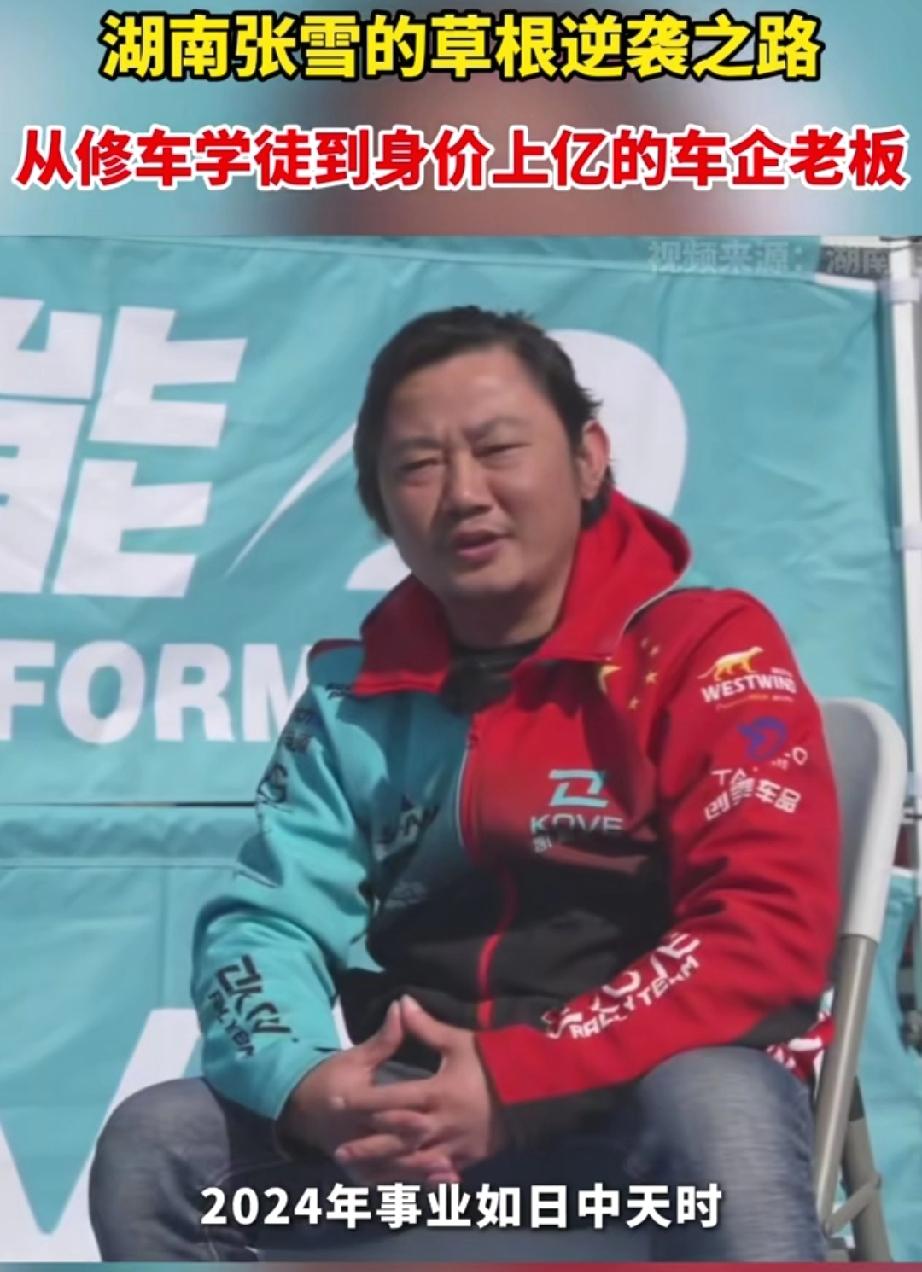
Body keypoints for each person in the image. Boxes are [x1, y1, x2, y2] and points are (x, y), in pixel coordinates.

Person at [89, 306, 839, 1261]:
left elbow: (765, 932)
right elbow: (264, 925)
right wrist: (311, 1088)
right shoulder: (351, 697)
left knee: (720, 1103)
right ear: (378, 505)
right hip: (408, 1149)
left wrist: (519, 1078)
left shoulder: (705, 650)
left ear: (589, 458)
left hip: (634, 1147)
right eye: (417, 466)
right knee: (159, 1146)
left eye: (498, 450)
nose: (464, 495)